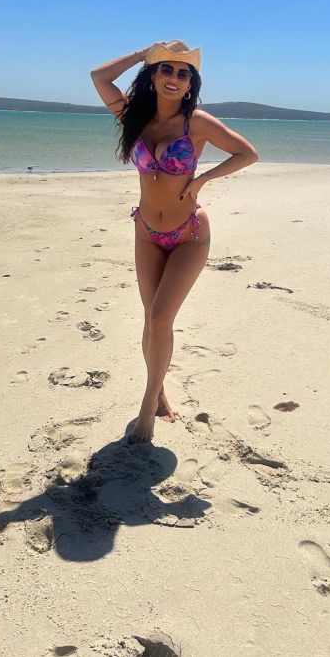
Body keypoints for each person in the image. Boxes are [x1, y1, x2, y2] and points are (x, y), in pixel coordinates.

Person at [90, 40, 259, 443]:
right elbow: (99, 77)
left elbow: (247, 153)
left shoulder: (196, 122)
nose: (174, 78)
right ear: (153, 76)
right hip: (146, 232)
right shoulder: (134, 117)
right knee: (151, 318)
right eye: (166, 69)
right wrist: (142, 54)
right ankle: (160, 391)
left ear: (190, 85)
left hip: (189, 235)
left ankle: (147, 408)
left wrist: (202, 180)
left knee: (160, 318)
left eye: (184, 74)